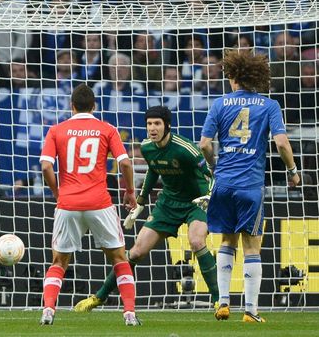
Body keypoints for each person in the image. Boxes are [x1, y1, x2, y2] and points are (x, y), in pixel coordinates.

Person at [74, 106, 219, 312]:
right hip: (168, 203)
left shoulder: (186, 149)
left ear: (167, 125)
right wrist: (141, 201)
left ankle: (219, 300)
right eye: (149, 124)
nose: (152, 128)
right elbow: (153, 170)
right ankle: (100, 297)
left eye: (157, 123)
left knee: (196, 240)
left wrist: (210, 195)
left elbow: (212, 174)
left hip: (196, 202)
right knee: (135, 252)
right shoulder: (147, 147)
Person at [198, 49, 300, 323]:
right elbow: (281, 143)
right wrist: (293, 171)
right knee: (252, 246)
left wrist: (212, 167)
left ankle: (222, 303)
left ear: (233, 77)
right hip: (249, 184)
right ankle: (251, 310)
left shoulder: (219, 104)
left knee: (226, 241)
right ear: (256, 77)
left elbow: (205, 144)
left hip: (223, 183)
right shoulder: (269, 105)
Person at [38, 84, 139, 326]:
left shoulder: (57, 130)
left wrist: (56, 192)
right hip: (99, 203)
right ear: (94, 106)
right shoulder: (107, 129)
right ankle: (129, 314)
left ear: (71, 106)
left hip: (68, 204)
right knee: (119, 258)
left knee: (59, 262)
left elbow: (45, 166)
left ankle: (48, 310)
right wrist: (130, 191)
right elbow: (125, 163)